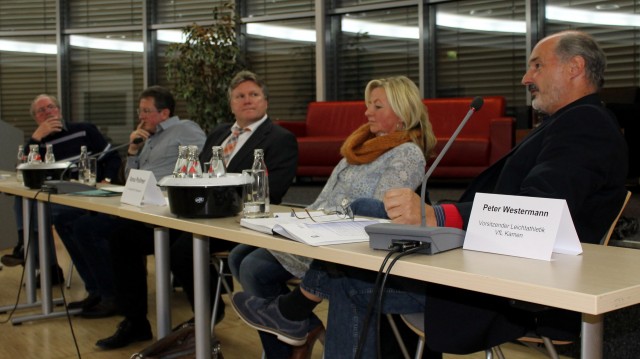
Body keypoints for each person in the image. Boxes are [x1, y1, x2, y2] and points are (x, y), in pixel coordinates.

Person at [230, 30, 629, 358]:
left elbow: (531, 214)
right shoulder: (569, 123)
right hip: (485, 254)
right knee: (367, 217)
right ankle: (294, 310)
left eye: (537, 65)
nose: (526, 77)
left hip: (507, 284)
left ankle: (294, 310)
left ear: (575, 67)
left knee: (348, 274)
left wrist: (439, 218)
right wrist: (437, 215)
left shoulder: (585, 127)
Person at [228, 75, 437, 358]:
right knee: (237, 256)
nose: (367, 112)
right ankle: (299, 326)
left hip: (339, 243)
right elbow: (322, 200)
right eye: (368, 105)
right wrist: (292, 221)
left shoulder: (407, 153)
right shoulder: (359, 147)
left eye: (377, 106)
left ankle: (287, 339)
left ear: (402, 113)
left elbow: (376, 211)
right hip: (315, 228)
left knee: (253, 267)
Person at [95, 70, 298, 350]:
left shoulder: (279, 138)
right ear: (231, 104)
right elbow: (197, 174)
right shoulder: (219, 132)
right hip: (196, 214)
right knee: (123, 237)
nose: (247, 100)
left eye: (254, 95)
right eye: (240, 96)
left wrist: (217, 196)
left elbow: (272, 190)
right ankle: (135, 322)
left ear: (265, 101)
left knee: (183, 251)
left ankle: (206, 319)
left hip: (237, 221)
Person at [64, 86, 206, 323]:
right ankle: (103, 293)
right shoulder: (148, 138)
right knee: (77, 223)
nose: (140, 117)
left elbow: (205, 159)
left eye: (146, 111)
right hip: (138, 205)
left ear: (164, 113)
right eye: (140, 111)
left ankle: (113, 297)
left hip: (165, 210)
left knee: (94, 231)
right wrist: (132, 150)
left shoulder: (185, 129)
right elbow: (130, 177)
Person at [1, 94, 121, 285]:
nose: (48, 112)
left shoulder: (83, 130)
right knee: (24, 201)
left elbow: (112, 157)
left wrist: (107, 179)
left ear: (59, 110)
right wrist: (36, 138)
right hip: (57, 194)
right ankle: (37, 258)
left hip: (85, 193)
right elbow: (24, 168)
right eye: (41, 111)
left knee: (39, 212)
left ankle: (35, 256)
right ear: (36, 118)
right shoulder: (38, 143)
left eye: (50, 107)